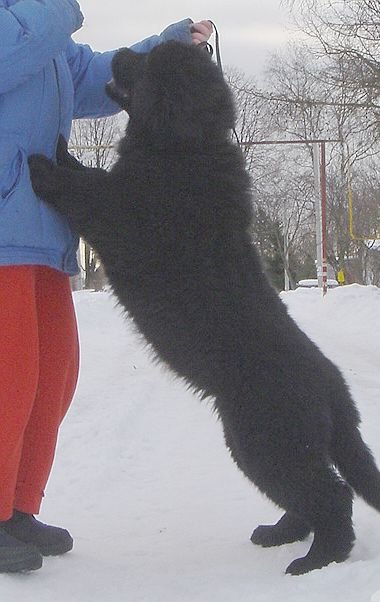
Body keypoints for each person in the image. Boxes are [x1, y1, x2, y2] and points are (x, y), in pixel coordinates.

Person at [0, 0, 212, 573]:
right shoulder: (29, 22)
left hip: (41, 223)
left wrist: (164, 49)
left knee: (52, 375)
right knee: (8, 377)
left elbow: (96, 77)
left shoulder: (36, 25)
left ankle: (15, 509)